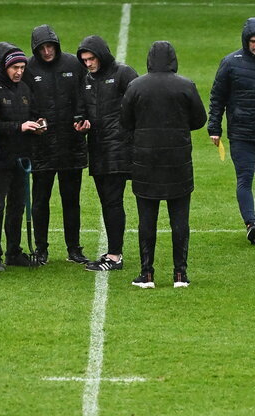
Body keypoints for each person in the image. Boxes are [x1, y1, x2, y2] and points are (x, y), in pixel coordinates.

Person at [120, 41, 207, 289]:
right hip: (178, 163)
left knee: (147, 220)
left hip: (145, 163)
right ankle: (180, 274)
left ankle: (147, 274)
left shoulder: (136, 86)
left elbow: (125, 121)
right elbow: (199, 119)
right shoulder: (185, 85)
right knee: (179, 221)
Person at [208, 17, 255, 245]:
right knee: (244, 178)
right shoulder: (231, 63)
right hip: (241, 134)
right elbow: (217, 97)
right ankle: (251, 223)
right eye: (253, 41)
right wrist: (214, 127)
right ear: (246, 41)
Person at [25, 25, 89, 266]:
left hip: (71, 145)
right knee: (40, 200)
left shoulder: (73, 65)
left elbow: (85, 96)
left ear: (56, 45)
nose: (47, 51)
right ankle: (41, 249)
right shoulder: (29, 69)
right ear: (36, 49)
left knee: (71, 199)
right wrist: (34, 122)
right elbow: (25, 101)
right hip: (41, 147)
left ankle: (74, 248)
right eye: (42, 47)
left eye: (50, 46)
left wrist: (81, 119)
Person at [75, 35, 138, 272]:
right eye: (84, 60)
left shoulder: (124, 74)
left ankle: (114, 256)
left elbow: (139, 102)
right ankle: (114, 252)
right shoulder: (87, 79)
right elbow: (84, 110)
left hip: (119, 149)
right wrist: (82, 124)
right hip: (98, 148)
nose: (88, 63)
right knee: (108, 202)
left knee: (112, 201)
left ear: (101, 55)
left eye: (91, 59)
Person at [0, 43, 45, 271]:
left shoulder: (25, 88)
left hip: (21, 157)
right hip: (0, 158)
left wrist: (39, 125)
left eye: (22, 67)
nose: (19, 72)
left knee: (17, 207)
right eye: (15, 67)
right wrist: (20, 126)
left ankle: (14, 252)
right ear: (5, 67)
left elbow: (35, 114)